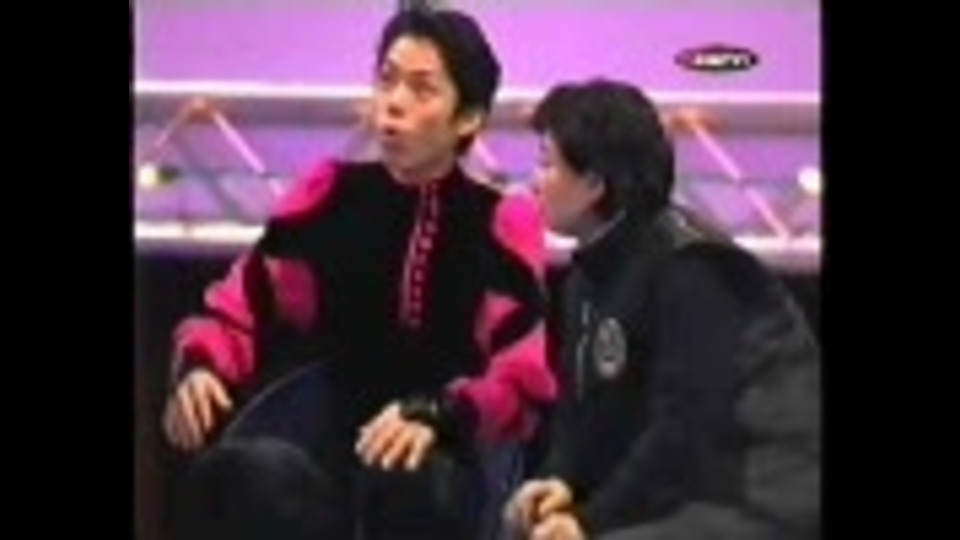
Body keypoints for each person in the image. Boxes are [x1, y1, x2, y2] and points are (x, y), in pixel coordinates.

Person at [161, 7, 557, 539]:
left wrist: (441, 414)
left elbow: (521, 374)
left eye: (421, 89)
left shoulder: (500, 221)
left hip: (447, 450)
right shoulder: (330, 195)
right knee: (244, 475)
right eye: (387, 80)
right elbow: (239, 307)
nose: (393, 102)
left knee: (409, 477)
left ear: (467, 118)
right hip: (326, 438)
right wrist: (202, 366)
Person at [503, 79, 821, 539]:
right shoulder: (586, 278)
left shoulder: (693, 267)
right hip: (692, 490)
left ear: (593, 183)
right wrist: (562, 480)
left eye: (546, 163)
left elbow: (685, 428)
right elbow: (586, 416)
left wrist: (590, 521)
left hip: (763, 494)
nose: (534, 181)